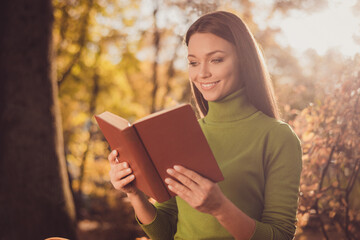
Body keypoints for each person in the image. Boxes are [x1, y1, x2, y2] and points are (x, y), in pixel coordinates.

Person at [108, 11, 302, 240]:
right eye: (193, 62)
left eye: (216, 59)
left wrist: (220, 208)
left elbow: (280, 235)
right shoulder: (182, 134)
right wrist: (134, 194)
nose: (202, 73)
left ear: (244, 59)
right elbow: (165, 230)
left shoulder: (277, 137)